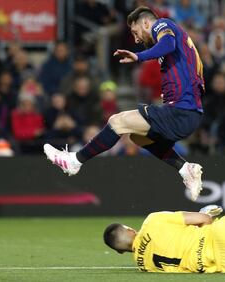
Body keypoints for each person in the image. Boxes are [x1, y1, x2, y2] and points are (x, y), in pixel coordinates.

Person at [44, 6, 205, 201]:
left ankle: (74, 161)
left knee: (117, 121)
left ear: (145, 23)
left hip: (181, 110)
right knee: (139, 138)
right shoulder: (178, 42)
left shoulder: (162, 25)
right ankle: (185, 168)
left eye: (136, 32)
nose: (136, 39)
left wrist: (139, 56)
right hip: (187, 113)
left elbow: (168, 43)